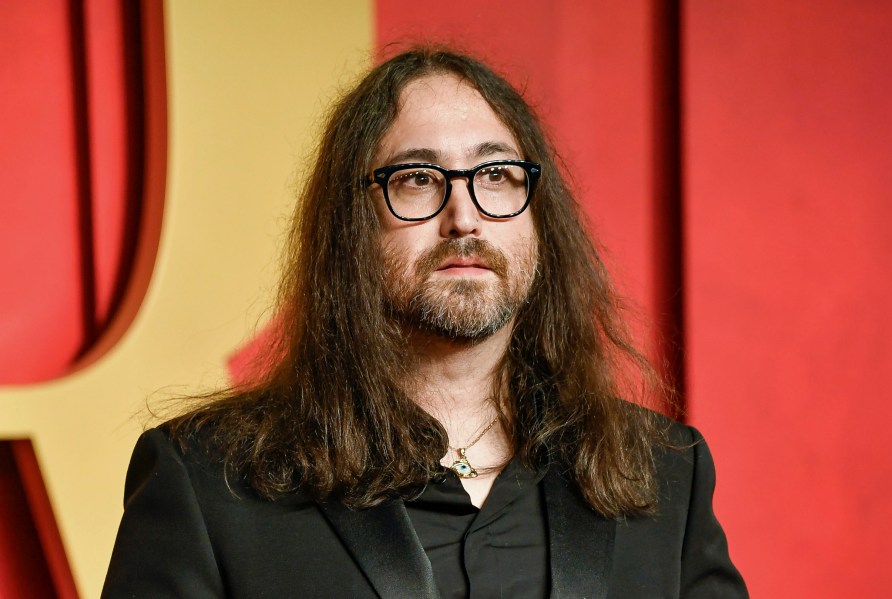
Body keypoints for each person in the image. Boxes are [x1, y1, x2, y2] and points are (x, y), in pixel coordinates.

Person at [102, 48, 748, 598]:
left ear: (538, 216)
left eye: (495, 174)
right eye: (418, 178)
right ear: (350, 226)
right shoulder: (209, 480)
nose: (464, 215)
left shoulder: (665, 474)